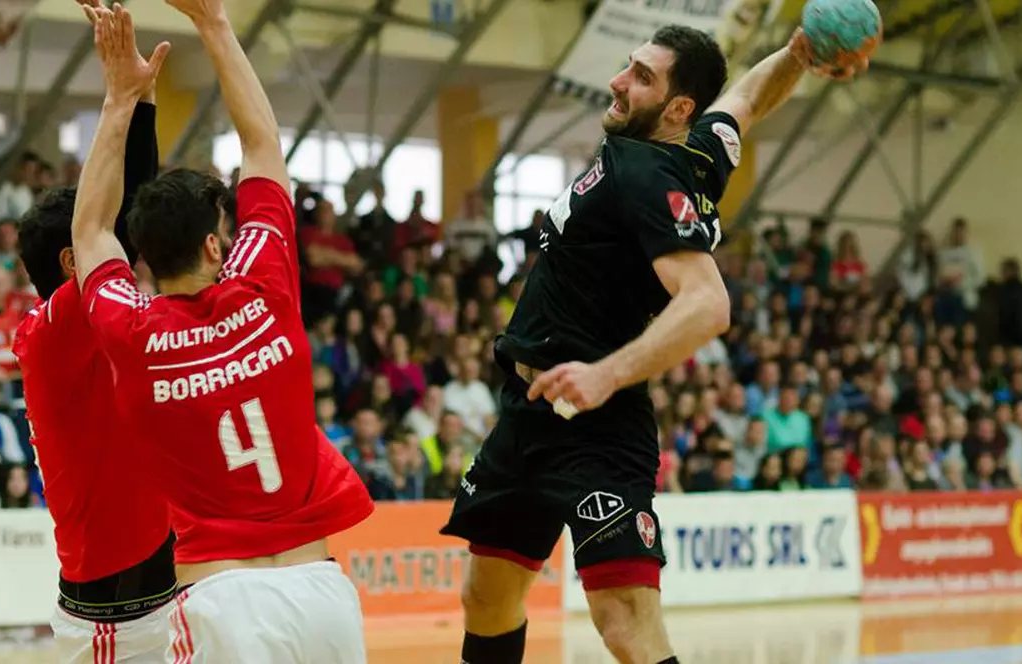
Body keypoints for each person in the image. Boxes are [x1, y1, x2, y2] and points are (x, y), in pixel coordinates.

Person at [440, 24, 867, 664]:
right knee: (487, 596)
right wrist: (798, 55)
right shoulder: (698, 149)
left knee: (624, 624)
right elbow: (746, 101)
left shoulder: (645, 175)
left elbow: (707, 303)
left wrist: (605, 375)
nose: (619, 81)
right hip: (527, 412)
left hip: (596, 425)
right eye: (628, 66)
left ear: (676, 108)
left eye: (641, 77)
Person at [73, 4, 372, 662]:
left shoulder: (132, 329)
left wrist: (120, 99)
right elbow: (262, 146)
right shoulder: (266, 287)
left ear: (147, 257)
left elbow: (91, 231)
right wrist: (214, 23)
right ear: (216, 245)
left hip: (223, 601)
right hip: (322, 593)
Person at [13, 4, 176, 659]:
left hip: (156, 586)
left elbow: (131, 210)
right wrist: (122, 99)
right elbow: (120, 211)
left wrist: (143, 100)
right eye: (102, 243)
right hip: (112, 615)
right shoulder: (50, 332)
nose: (126, 255)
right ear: (69, 263)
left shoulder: (97, 313)